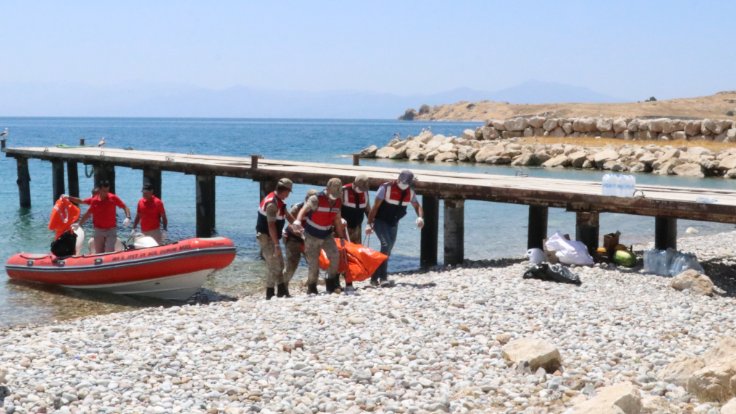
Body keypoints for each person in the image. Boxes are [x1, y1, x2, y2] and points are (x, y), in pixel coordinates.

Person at [367, 170, 424, 287]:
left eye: (407, 183)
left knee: (387, 251)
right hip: (380, 221)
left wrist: (420, 217)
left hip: (393, 223)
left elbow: (417, 206)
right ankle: (383, 278)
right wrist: (369, 224)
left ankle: (373, 277)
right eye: (402, 182)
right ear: (398, 179)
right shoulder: (385, 188)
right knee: (386, 245)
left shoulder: (411, 192)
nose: (404, 185)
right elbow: (375, 207)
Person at [293, 178, 346, 295]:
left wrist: (341, 237)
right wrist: (297, 220)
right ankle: (312, 287)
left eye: (337, 194)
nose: (335, 196)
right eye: (333, 194)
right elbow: (303, 209)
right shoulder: (315, 199)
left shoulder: (338, 201)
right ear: (327, 189)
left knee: (335, 256)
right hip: (311, 236)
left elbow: (337, 220)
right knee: (313, 264)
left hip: (327, 235)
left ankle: (330, 283)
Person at [256, 178, 296, 300]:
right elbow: (271, 226)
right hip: (266, 237)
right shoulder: (272, 204)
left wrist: (297, 225)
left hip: (271, 236)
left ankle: (280, 291)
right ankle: (270, 293)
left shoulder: (278, 200)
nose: (289, 195)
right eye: (289, 192)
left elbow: (287, 215)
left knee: (280, 264)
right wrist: (277, 245)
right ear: (285, 191)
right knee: (274, 265)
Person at [77, 180, 131, 253]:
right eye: (104, 191)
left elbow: (125, 207)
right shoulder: (94, 200)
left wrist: (128, 217)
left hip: (111, 229)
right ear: (99, 190)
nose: (106, 193)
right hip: (98, 230)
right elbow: (87, 214)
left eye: (107, 191)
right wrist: (79, 225)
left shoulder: (113, 198)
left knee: (109, 251)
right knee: (99, 253)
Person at [282, 189, 318, 297]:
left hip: (310, 238)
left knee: (314, 263)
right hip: (293, 238)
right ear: (306, 199)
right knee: (292, 265)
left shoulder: (318, 209)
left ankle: (312, 287)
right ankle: (283, 288)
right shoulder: (297, 208)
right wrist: (298, 231)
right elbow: (290, 222)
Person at [341, 175, 371, 245]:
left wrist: (370, 223)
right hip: (343, 227)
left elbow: (368, 209)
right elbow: (337, 210)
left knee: (356, 249)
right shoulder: (344, 190)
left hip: (357, 227)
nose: (361, 190)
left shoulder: (365, 192)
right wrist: (339, 220)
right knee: (343, 249)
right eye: (360, 188)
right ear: (354, 184)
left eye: (363, 189)